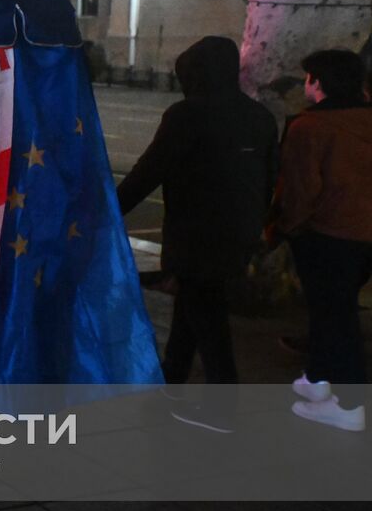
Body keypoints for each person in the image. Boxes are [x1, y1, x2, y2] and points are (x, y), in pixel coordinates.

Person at [115, 36, 278, 430]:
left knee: (209, 317)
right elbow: (270, 176)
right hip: (239, 231)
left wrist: (109, 212)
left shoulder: (187, 115)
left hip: (196, 233)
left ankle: (222, 409)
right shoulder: (259, 116)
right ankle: (171, 379)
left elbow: (147, 173)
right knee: (194, 303)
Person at [273, 49, 372, 432]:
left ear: (319, 83)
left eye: (309, 78)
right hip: (364, 236)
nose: (306, 86)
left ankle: (348, 406)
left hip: (328, 235)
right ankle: (317, 381)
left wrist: (285, 228)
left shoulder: (309, 128)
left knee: (334, 317)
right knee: (339, 308)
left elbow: (300, 192)